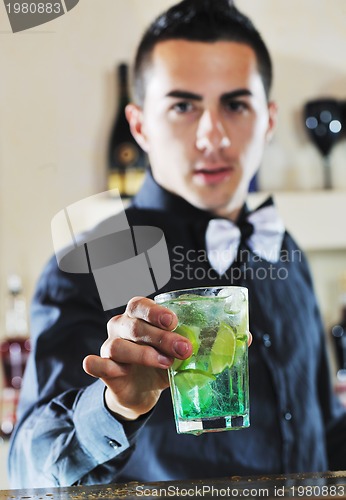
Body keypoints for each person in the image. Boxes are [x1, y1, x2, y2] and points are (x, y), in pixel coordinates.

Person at [8, 0, 346, 488]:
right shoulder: (101, 255)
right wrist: (115, 406)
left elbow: (324, 428)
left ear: (268, 120)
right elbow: (28, 472)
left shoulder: (282, 246)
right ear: (140, 125)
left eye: (236, 104)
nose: (212, 135)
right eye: (183, 106)